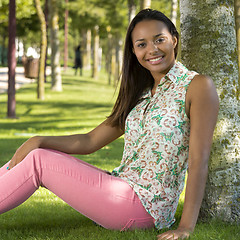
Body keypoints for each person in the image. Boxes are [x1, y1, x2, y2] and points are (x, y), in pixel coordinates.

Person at [0, 9, 218, 240]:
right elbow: (90, 141)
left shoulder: (197, 86)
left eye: (159, 40)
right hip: (120, 187)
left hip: (143, 207)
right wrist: (38, 140)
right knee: (38, 152)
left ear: (174, 39)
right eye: (141, 44)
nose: (152, 50)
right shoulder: (142, 93)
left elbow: (199, 160)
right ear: (134, 51)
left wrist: (185, 227)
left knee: (38, 161)